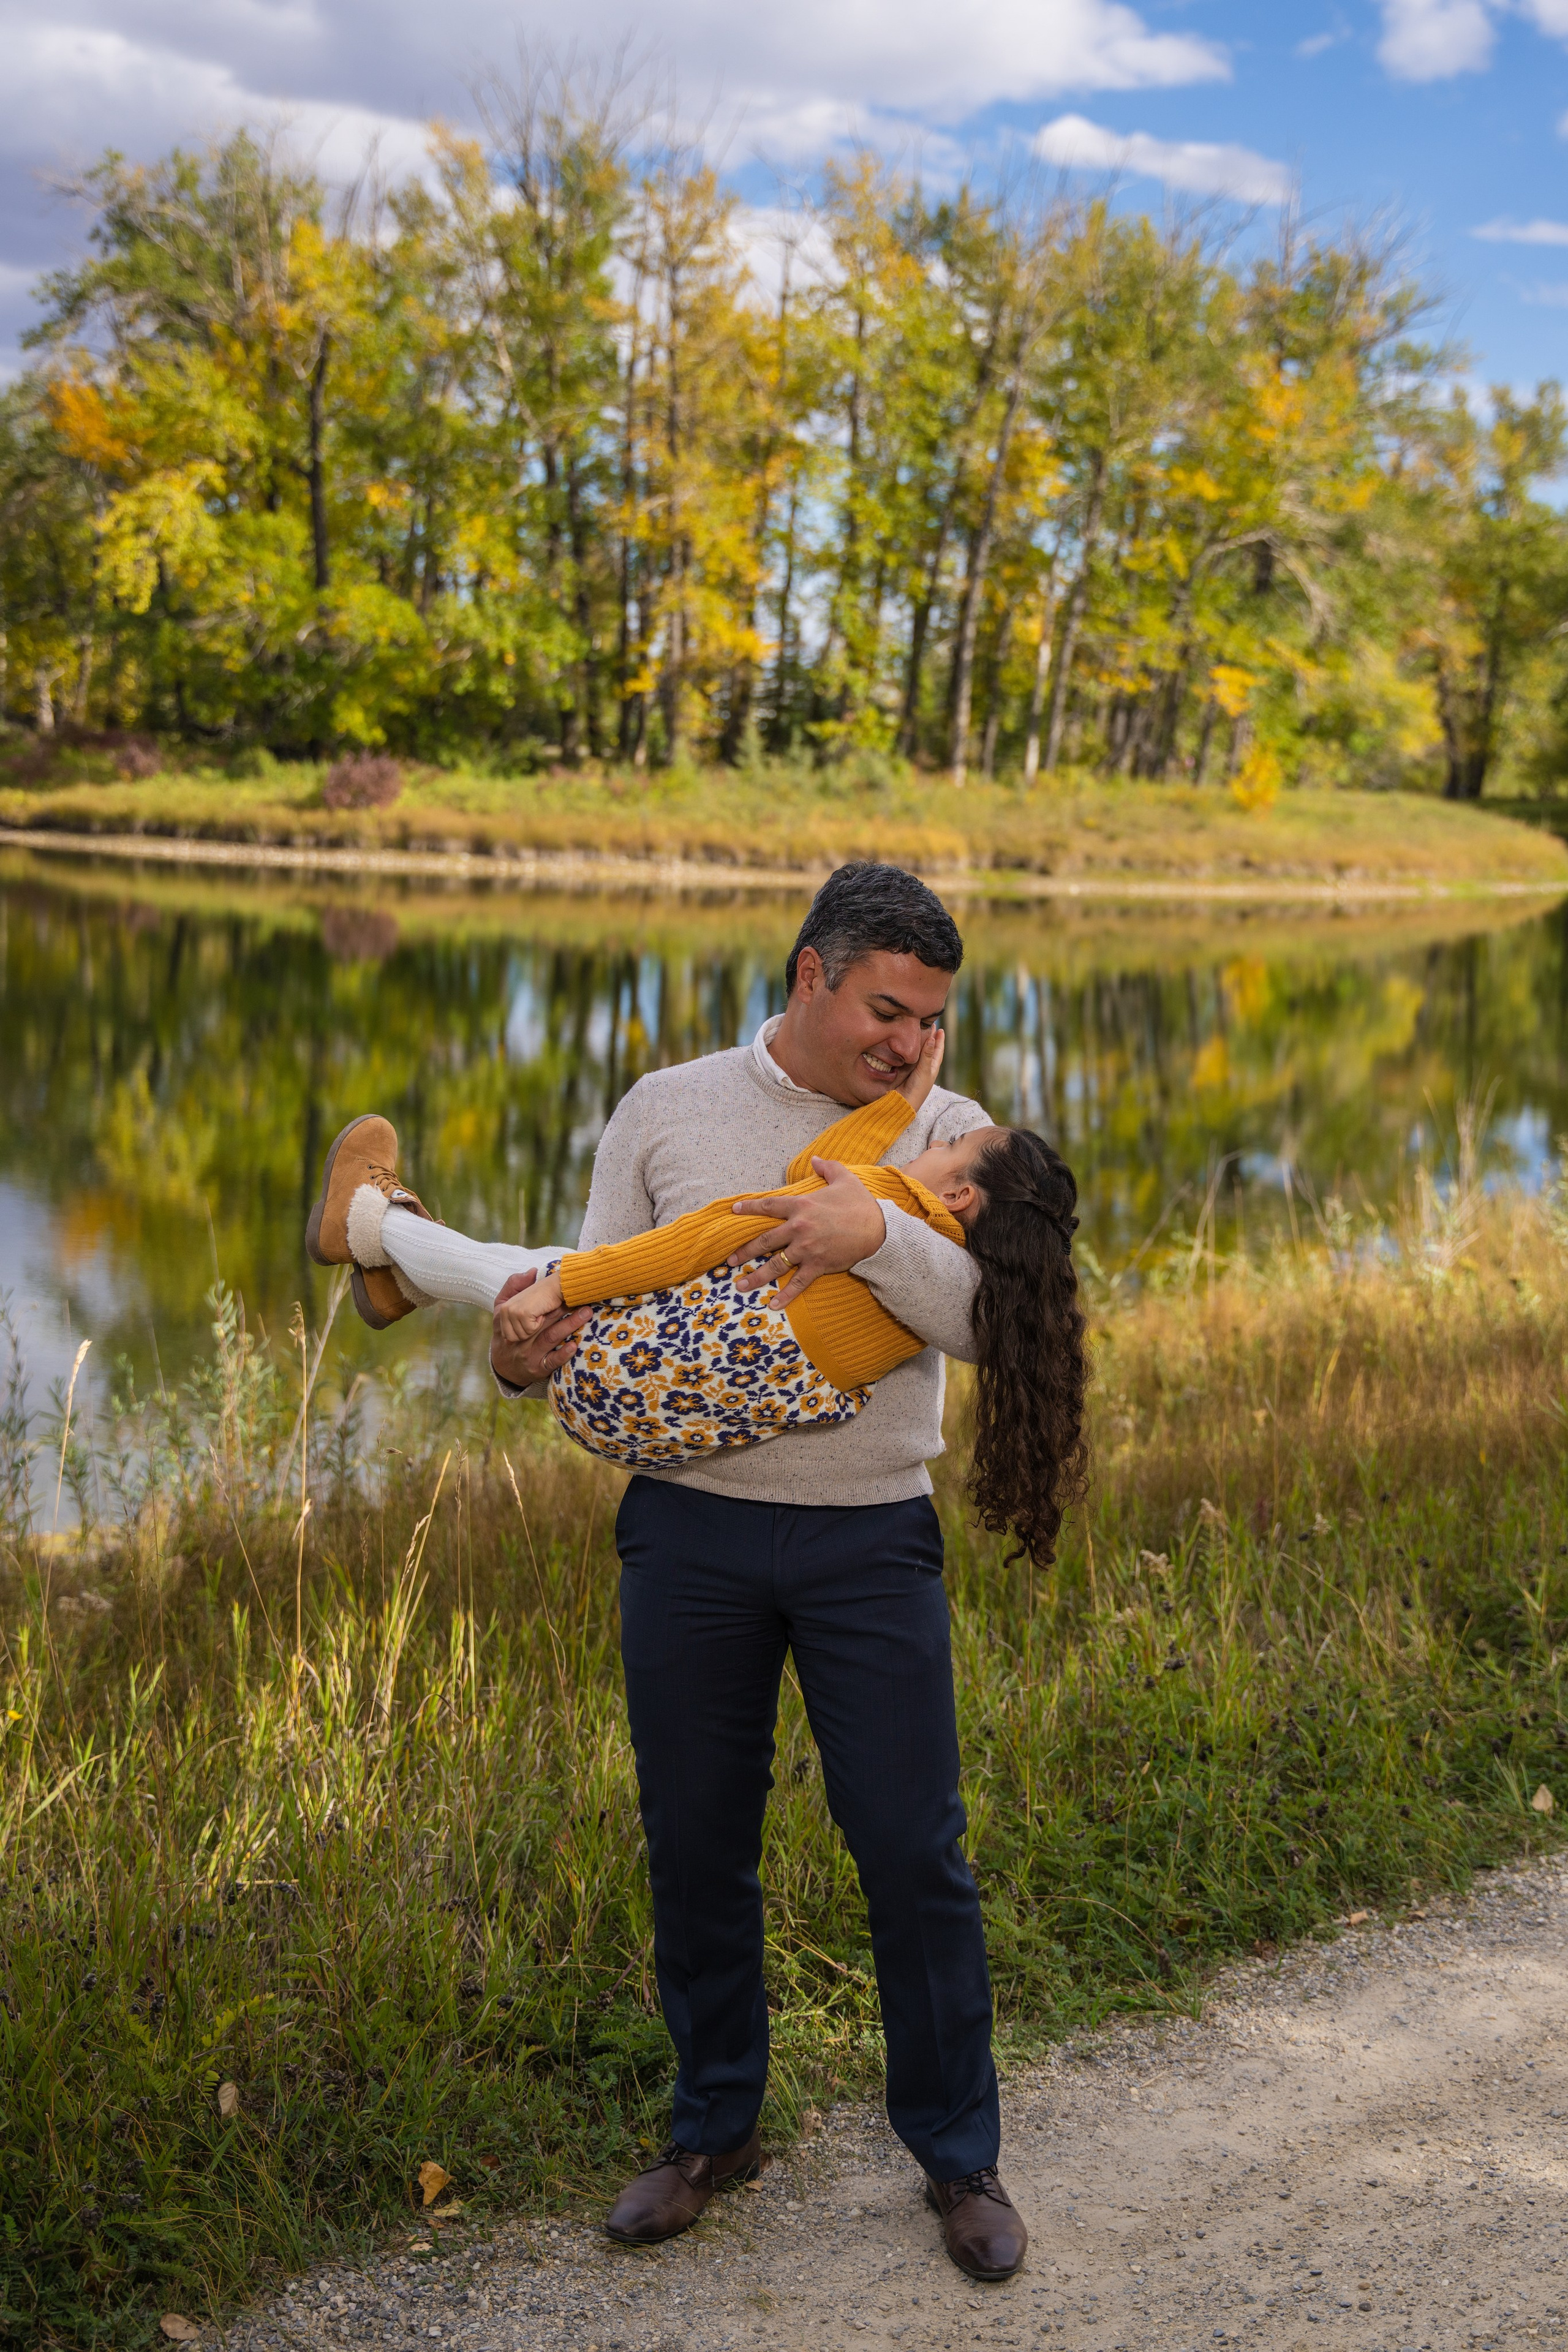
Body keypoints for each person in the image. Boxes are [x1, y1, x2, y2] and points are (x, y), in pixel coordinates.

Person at [339, 864, 1087, 2282]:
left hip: (868, 1535)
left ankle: (956, 2150)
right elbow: (589, 1282)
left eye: (930, 1021)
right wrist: (514, 1356)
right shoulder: (664, 1106)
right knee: (694, 1840)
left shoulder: (949, 1135)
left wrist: (876, 1235)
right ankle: (712, 2128)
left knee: (910, 1851)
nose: (910, 1046)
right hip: (685, 1529)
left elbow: (1006, 1325)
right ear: (810, 972)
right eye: (885, 1011)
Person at [304, 1044, 1087, 1570]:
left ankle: (374, 1222)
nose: (932, 1137)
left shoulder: (884, 1200)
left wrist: (564, 1288)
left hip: (615, 1377)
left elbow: (705, 1233)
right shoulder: (966, 1284)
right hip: (649, 1426)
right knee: (582, 1282)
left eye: (945, 1148)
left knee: (564, 1270)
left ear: (954, 1192)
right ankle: (398, 1274)